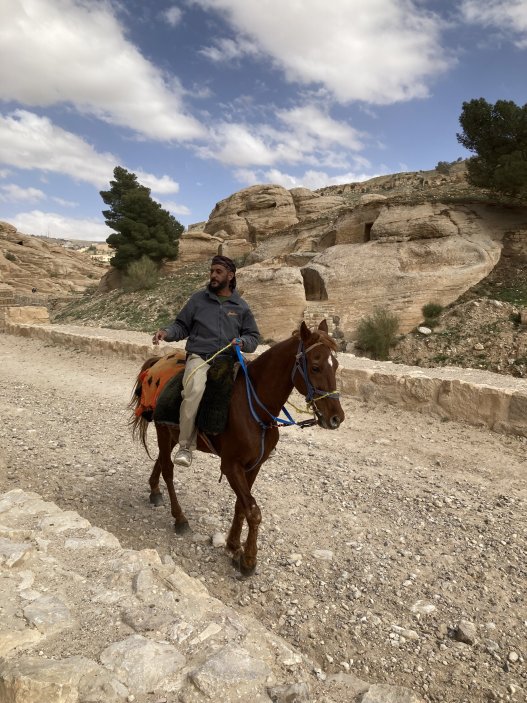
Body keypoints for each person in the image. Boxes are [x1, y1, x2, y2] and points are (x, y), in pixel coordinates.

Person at [152, 255, 260, 467]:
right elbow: (181, 326)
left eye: (218, 272)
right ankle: (185, 446)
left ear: (230, 276)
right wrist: (166, 332)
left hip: (230, 359)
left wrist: (243, 341)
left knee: (254, 390)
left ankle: (259, 440)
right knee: (194, 391)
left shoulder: (241, 306)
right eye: (212, 271)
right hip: (200, 358)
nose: (213, 275)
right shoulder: (197, 300)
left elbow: (253, 338)